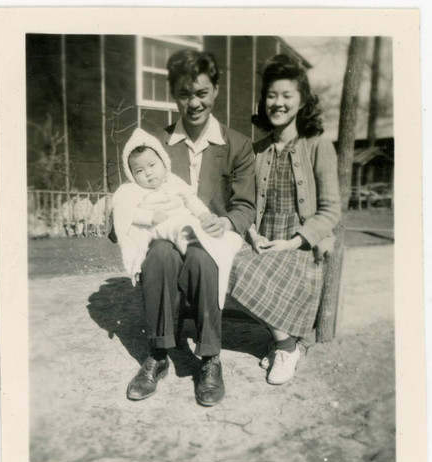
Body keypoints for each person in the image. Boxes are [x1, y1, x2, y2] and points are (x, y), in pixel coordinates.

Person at [125, 49, 256, 406]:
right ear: (174, 95)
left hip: (213, 235)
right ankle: (158, 353)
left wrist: (225, 221)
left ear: (215, 89)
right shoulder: (157, 145)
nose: (194, 103)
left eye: (201, 93)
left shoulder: (237, 145)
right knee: (160, 258)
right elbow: (130, 197)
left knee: (201, 259)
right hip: (166, 232)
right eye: (184, 94)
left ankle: (210, 358)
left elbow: (245, 204)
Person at [229, 54, 341, 385]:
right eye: (271, 96)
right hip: (265, 245)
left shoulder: (318, 146)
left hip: (300, 249)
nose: (277, 103)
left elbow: (331, 209)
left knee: (240, 270)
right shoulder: (256, 149)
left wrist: (294, 240)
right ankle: (283, 341)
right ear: (264, 101)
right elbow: (244, 203)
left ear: (302, 100)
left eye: (286, 95)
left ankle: (286, 346)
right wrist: (252, 234)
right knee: (221, 262)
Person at [112, 127, 242, 308]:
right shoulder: (131, 191)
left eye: (152, 165)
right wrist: (149, 217)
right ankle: (190, 238)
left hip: (184, 218)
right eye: (139, 170)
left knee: (202, 234)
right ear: (131, 175)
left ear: (163, 162)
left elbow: (190, 198)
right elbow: (125, 213)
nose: (148, 173)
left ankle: (211, 243)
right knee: (177, 231)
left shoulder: (172, 180)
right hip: (159, 228)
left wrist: (203, 214)